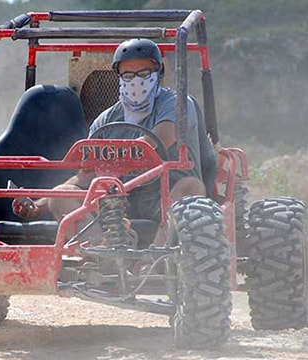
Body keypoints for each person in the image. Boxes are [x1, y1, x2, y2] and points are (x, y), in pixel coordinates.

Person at [12, 38, 210, 246]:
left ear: (158, 74)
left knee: (191, 188)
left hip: (167, 194)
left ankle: (155, 261)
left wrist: (113, 157)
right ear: (119, 77)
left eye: (144, 74)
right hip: (119, 201)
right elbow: (84, 177)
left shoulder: (177, 104)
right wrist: (38, 205)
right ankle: (102, 256)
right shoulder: (106, 120)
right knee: (61, 196)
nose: (136, 81)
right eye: (128, 75)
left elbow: (158, 139)